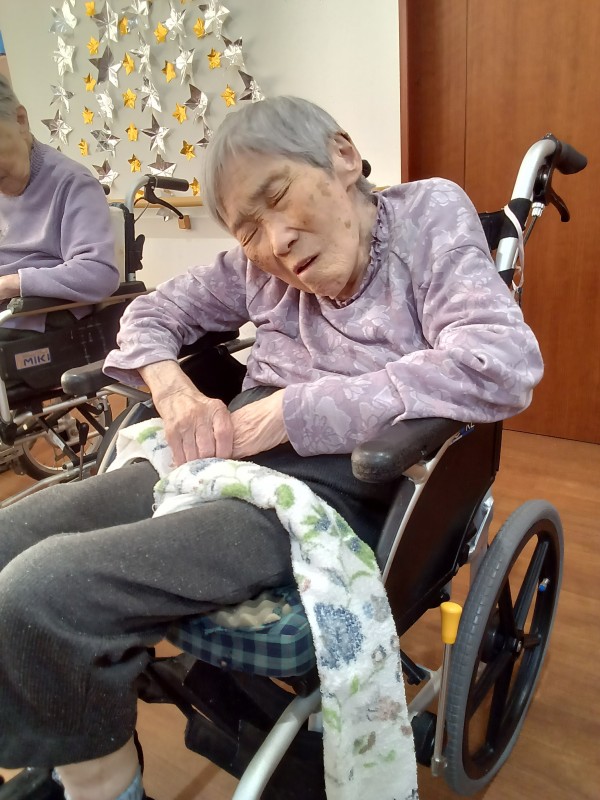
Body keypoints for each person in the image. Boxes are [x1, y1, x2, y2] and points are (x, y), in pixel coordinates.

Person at [0, 96, 543, 800]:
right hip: (218, 460)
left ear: (342, 157)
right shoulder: (254, 267)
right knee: (8, 538)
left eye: (279, 196)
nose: (275, 243)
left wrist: (289, 413)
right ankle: (68, 746)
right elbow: (152, 311)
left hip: (338, 487)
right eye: (248, 228)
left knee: (43, 589)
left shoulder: (428, 217)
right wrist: (172, 388)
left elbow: (498, 361)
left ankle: (99, 784)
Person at [0, 75, 120, 339]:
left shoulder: (73, 183)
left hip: (38, 317)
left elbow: (99, 273)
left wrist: (12, 283)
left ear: (20, 120)